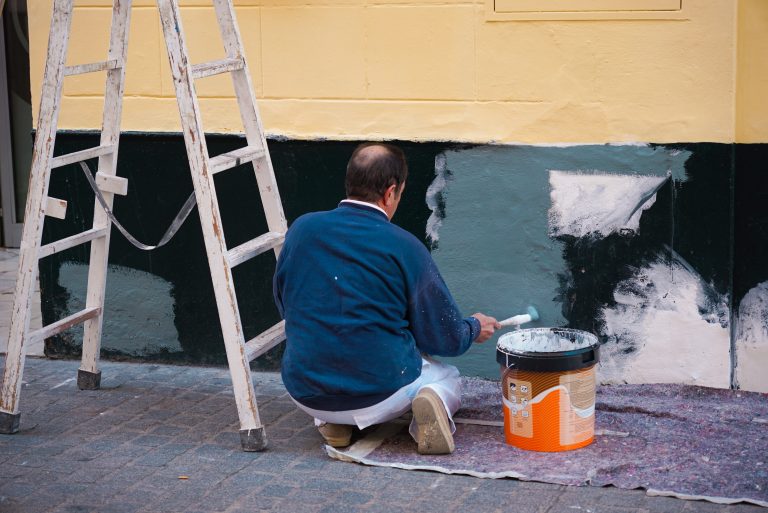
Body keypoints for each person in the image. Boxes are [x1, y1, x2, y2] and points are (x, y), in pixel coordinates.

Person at [273, 143, 500, 455]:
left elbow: (285, 303)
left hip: (304, 391)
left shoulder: (301, 229)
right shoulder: (404, 246)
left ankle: (334, 424)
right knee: (446, 377)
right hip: (380, 393)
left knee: (335, 356)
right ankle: (425, 419)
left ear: (350, 181)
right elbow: (444, 338)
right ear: (391, 192)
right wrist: (473, 328)